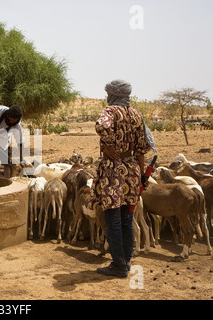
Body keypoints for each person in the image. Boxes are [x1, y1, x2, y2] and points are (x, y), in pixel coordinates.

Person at [88, 79, 150, 278]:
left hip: (113, 171)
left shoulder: (110, 111)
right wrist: (141, 176)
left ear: (112, 94)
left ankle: (118, 265)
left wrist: (108, 144)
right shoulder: (136, 114)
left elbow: (101, 126)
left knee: (112, 217)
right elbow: (141, 150)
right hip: (132, 169)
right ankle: (126, 260)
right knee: (126, 218)